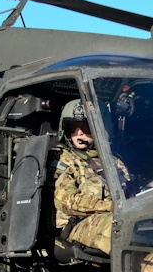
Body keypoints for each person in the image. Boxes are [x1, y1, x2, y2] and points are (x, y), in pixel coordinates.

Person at [53, 99, 130, 254]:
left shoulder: (115, 163)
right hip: (77, 225)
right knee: (118, 228)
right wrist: (111, 206)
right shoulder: (64, 159)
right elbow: (66, 201)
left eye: (86, 127)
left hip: (116, 217)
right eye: (73, 127)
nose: (79, 132)